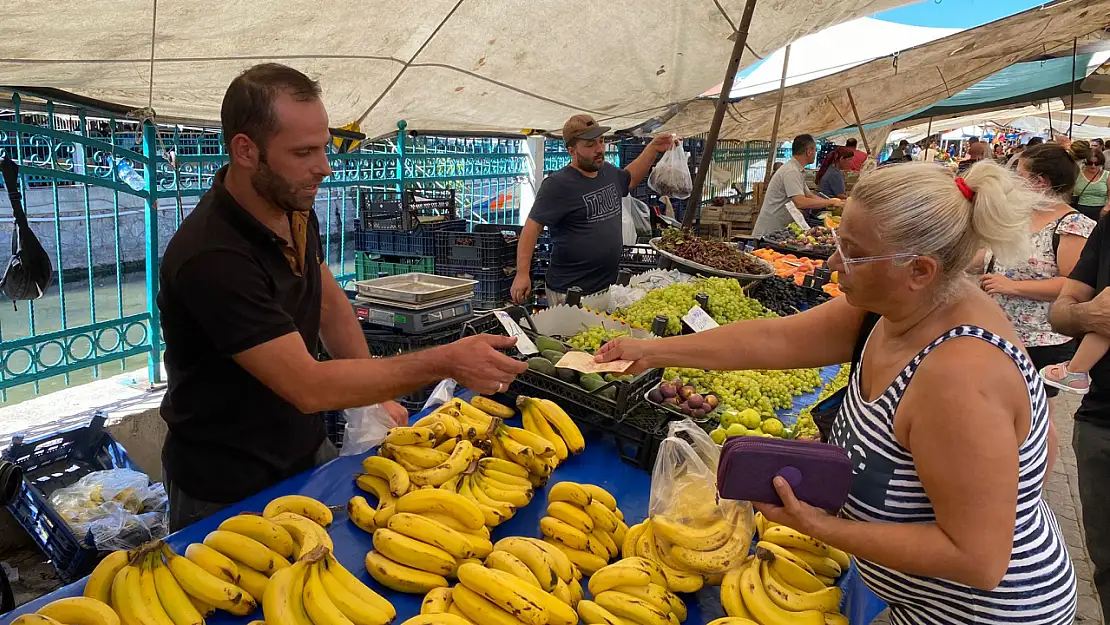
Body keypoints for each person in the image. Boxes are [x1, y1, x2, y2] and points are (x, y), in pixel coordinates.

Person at [598, 161, 1076, 624]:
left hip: (982, 614)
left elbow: (979, 560)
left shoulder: (958, 377)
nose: (831, 261)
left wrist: (820, 526)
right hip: (918, 599)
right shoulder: (895, 310)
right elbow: (775, 338)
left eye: (852, 251)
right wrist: (655, 350)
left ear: (920, 270)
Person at [157, 63, 528, 530]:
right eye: (304, 152)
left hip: (303, 450)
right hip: (225, 486)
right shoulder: (212, 257)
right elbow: (308, 386)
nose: (325, 167)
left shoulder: (289, 205)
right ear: (246, 150)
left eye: (325, 147)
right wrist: (446, 361)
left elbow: (327, 300)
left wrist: (370, 399)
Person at [509, 116, 676, 305]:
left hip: (606, 286)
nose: (600, 149)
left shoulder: (608, 172)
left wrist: (652, 148)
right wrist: (522, 274)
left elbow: (629, 179)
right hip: (571, 293)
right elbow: (532, 228)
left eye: (601, 141)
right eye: (590, 145)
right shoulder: (558, 185)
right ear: (572, 151)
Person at [979, 143, 1095, 399]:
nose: (1013, 182)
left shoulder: (1073, 225)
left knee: (1037, 414)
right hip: (1000, 329)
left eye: (1019, 175)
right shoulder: (1020, 216)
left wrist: (1012, 286)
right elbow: (991, 256)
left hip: (1042, 340)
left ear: (1040, 181)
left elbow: (1074, 285)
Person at [1048, 193, 1110, 619]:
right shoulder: (1109, 227)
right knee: (1106, 562)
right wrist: (1091, 315)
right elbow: (1061, 313)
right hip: (1101, 425)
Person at [751, 134, 841, 236]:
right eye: (815, 150)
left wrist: (833, 202)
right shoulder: (791, 171)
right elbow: (800, 202)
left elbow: (809, 195)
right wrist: (830, 203)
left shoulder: (796, 170)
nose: (816, 154)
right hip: (769, 232)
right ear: (809, 152)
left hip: (779, 231)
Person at [1072, 148, 1109, 221]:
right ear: (1085, 162)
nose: (1093, 166)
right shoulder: (1077, 174)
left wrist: (1107, 207)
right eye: (1090, 163)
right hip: (1080, 210)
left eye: (1097, 163)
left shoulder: (1107, 175)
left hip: (1101, 211)